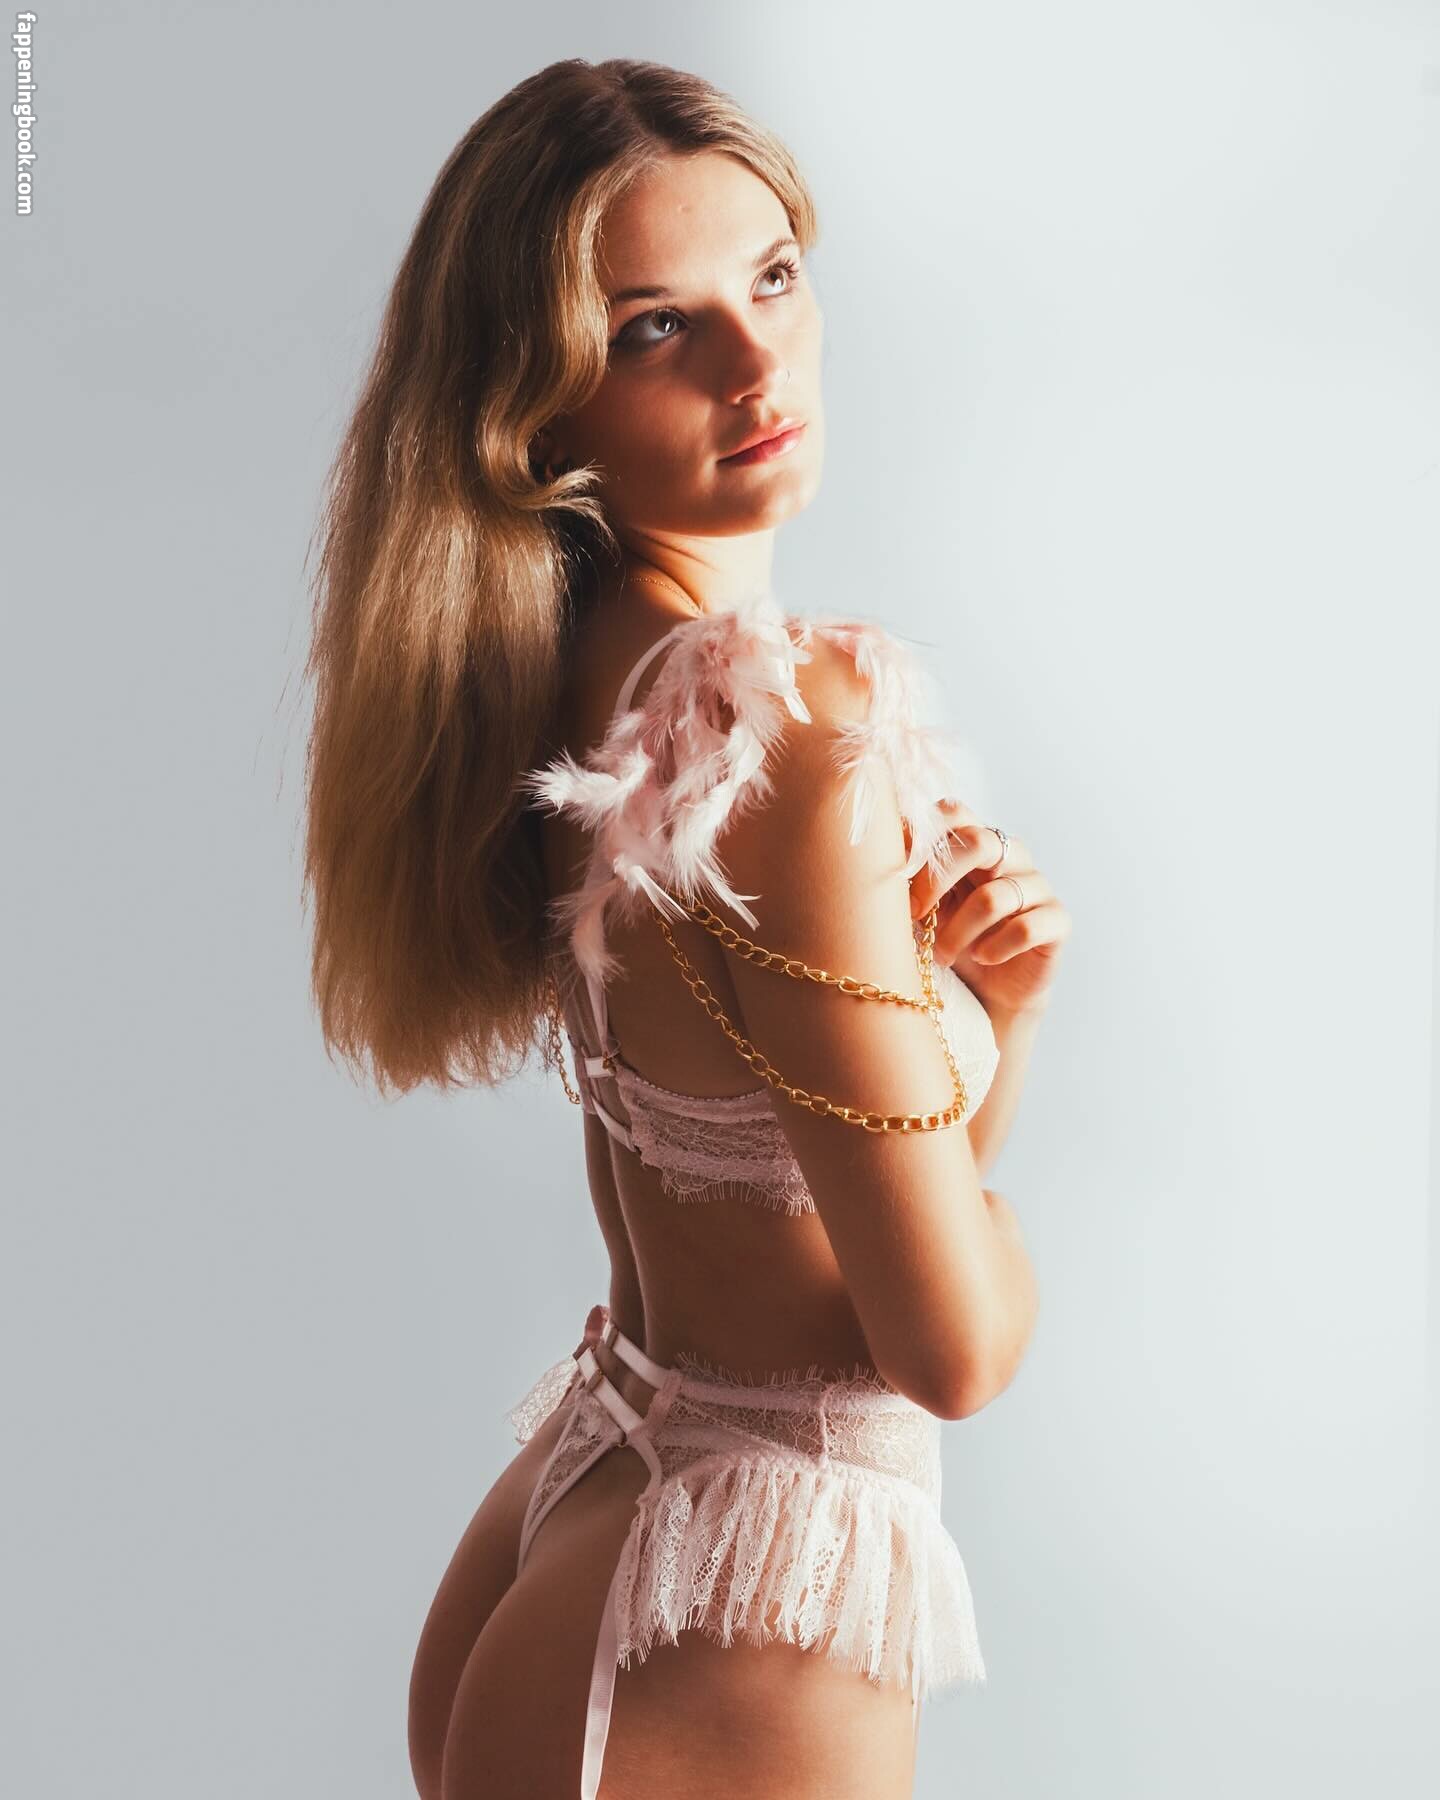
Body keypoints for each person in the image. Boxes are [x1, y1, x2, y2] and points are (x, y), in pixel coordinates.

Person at [300, 55, 1068, 1800]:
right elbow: (946, 1345)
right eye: (657, 327)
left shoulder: (577, 673)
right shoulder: (780, 736)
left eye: (772, 278)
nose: (754, 363)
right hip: (736, 1603)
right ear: (537, 410)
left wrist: (993, 1025)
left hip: (608, 1510)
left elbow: (809, 1199)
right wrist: (1011, 1220)